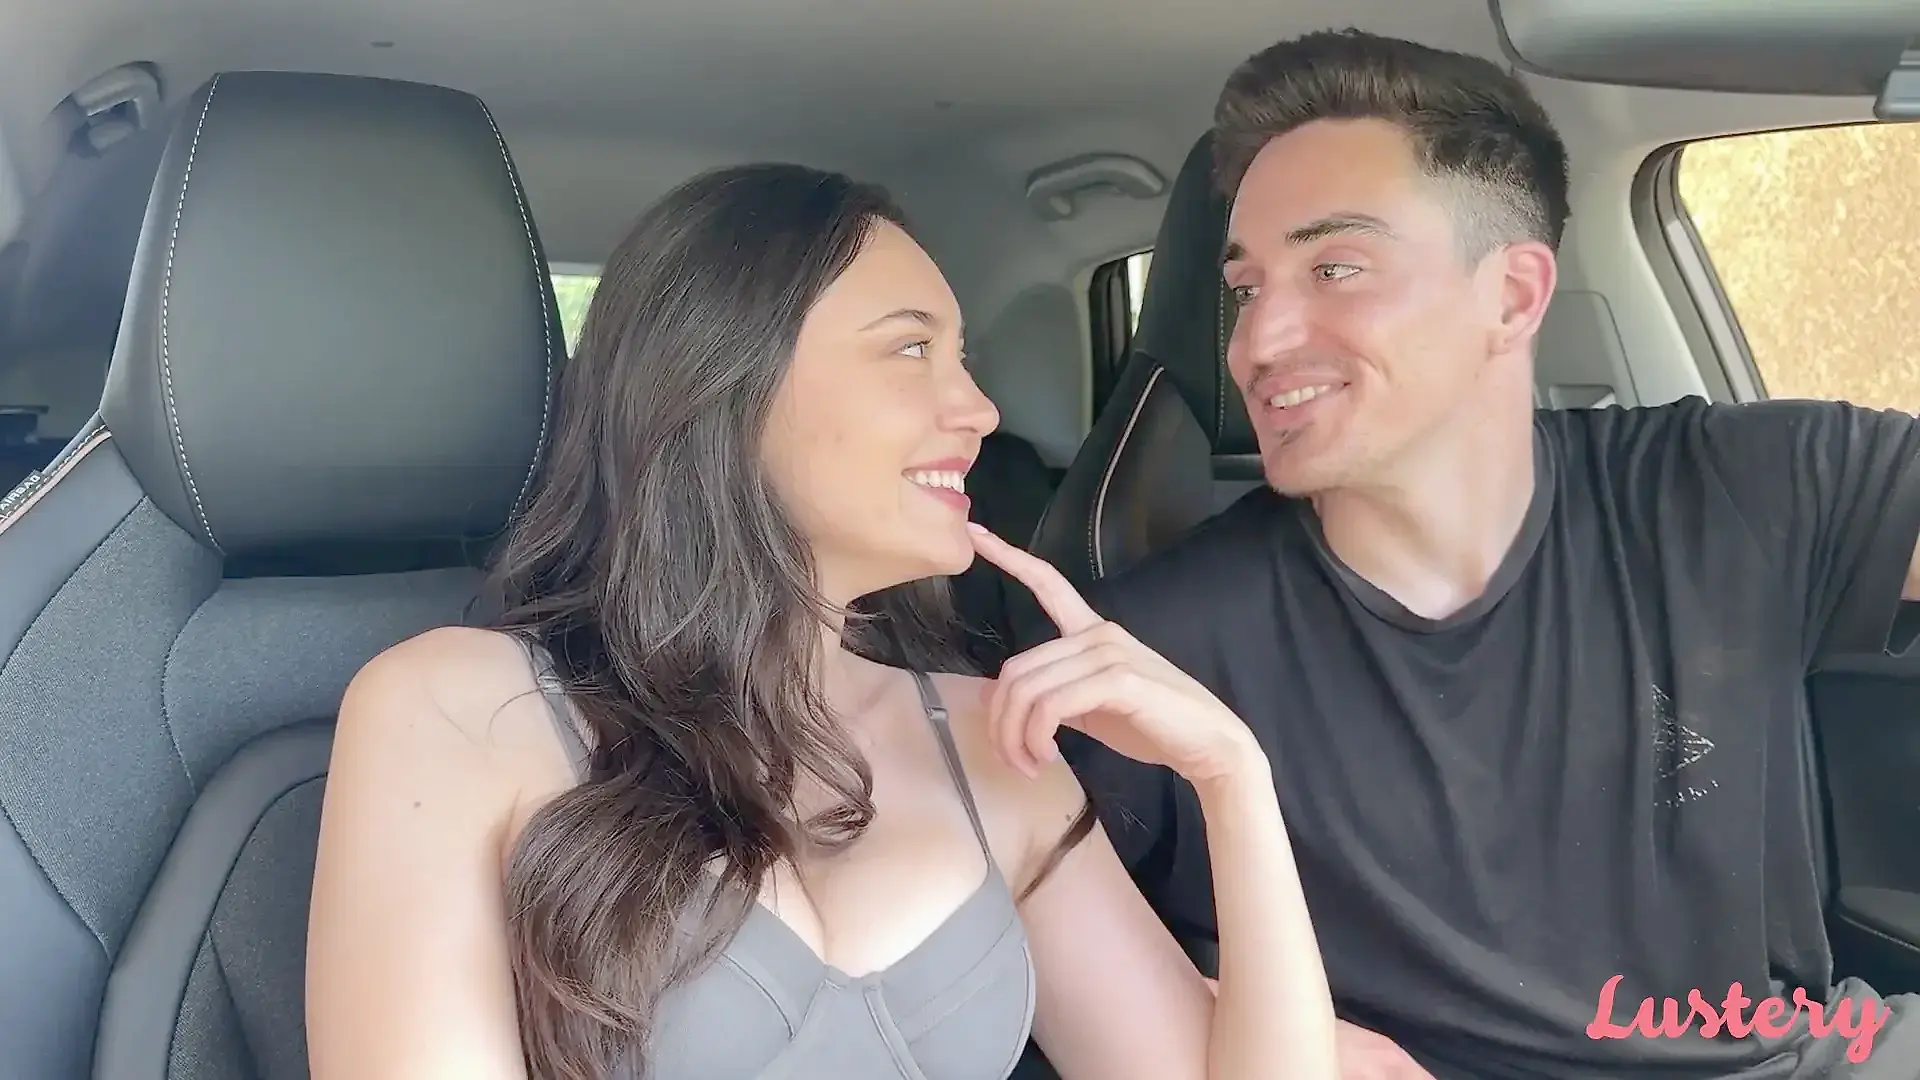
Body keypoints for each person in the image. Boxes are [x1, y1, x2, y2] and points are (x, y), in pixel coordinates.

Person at [304, 162, 1338, 1080]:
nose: (980, 410)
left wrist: (1231, 778)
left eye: (963, 356)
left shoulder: (993, 740)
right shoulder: (456, 707)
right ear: (722, 385)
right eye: (911, 349)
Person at [1048, 28, 1920, 1080]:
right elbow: (1013, 956)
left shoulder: (1744, 483)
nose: (1257, 342)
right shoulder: (1158, 654)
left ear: (1511, 296)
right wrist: (1208, 1012)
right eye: (1245, 289)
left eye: (1334, 268)